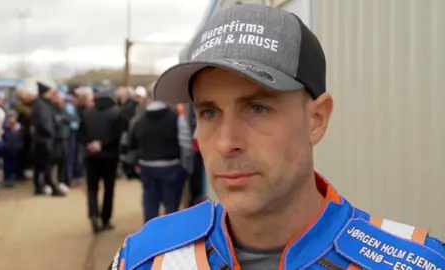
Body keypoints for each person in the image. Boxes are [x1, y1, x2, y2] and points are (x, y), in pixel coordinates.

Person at [108, 4, 445, 270]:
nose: (226, 143)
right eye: (209, 112)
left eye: (256, 108)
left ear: (316, 119)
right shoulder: (146, 255)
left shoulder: (415, 262)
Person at [128, 87, 192, 223]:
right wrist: (185, 165)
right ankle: (172, 241)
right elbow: (186, 145)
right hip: (172, 167)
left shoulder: (140, 121)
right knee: (171, 209)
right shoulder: (176, 118)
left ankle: (152, 240)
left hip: (147, 168)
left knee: (150, 207)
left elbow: (132, 145)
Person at [80, 90, 127, 233]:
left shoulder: (87, 113)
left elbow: (80, 133)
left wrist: (90, 143)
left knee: (92, 188)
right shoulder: (118, 112)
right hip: (110, 156)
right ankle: (106, 219)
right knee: (108, 188)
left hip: (91, 155)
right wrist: (102, 144)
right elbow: (118, 135)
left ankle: (94, 214)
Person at [31, 81, 65, 196]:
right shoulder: (41, 105)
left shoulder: (41, 104)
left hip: (43, 138)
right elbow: (44, 123)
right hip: (45, 139)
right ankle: (51, 186)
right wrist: (52, 133)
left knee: (41, 165)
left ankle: (40, 186)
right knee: (46, 165)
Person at [1, 111, 23, 187]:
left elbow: (21, 138)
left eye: (12, 117)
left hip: (16, 149)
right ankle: (6, 180)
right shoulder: (5, 128)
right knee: (6, 165)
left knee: (14, 165)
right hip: (7, 149)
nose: (11, 119)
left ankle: (12, 179)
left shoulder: (19, 128)